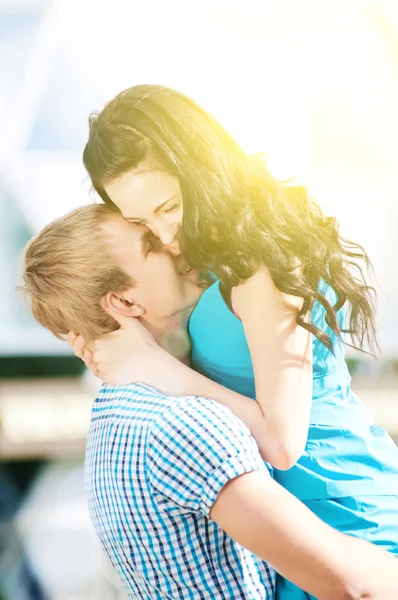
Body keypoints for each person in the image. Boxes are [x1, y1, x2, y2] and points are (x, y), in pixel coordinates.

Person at [71, 84, 398, 598]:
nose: (165, 233)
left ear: (200, 169)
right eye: (141, 222)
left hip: (347, 519)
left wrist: (160, 370)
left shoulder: (260, 263)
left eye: (169, 206)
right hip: (289, 537)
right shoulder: (205, 260)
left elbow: (282, 442)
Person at [21, 204, 398, 599]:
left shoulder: (114, 419)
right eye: (151, 245)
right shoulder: (183, 424)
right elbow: (353, 586)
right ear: (126, 303)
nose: (175, 245)